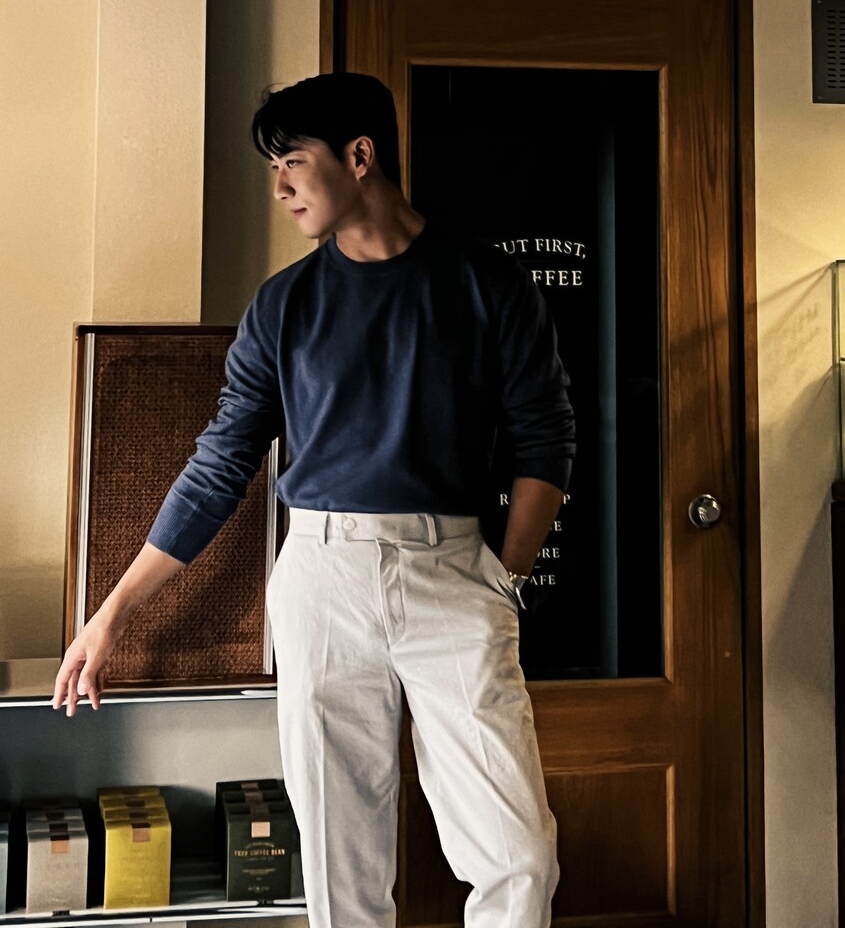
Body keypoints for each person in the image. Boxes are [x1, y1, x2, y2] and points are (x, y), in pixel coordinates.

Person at [52, 72, 575, 928]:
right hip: (322, 580)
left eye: (292, 161)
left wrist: (501, 578)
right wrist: (111, 613)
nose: (280, 187)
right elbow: (219, 466)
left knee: (519, 856)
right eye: (275, 168)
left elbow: (545, 440)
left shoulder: (489, 283)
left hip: (455, 574)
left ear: (359, 156)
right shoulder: (283, 306)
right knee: (340, 862)